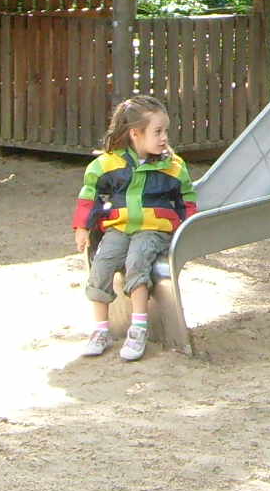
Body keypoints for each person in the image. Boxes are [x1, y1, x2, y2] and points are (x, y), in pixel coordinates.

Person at [74, 95, 197, 361]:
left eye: (165, 131)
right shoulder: (109, 164)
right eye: (157, 132)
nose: (164, 138)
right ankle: (100, 329)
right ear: (135, 134)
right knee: (103, 263)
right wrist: (83, 227)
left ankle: (138, 327)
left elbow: (187, 198)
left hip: (153, 229)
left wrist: (187, 227)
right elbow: (89, 193)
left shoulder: (172, 167)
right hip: (120, 228)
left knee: (137, 261)